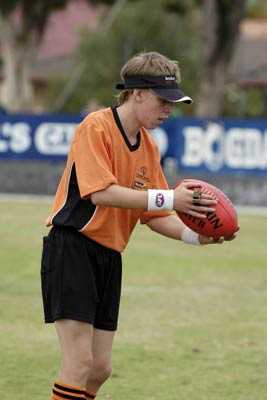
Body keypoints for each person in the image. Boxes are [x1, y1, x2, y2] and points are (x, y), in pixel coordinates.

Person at [41, 51, 236, 400]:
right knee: (79, 362)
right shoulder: (95, 127)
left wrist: (197, 236)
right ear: (138, 93)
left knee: (100, 369)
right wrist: (168, 198)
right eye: (163, 101)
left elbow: (154, 214)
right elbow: (100, 193)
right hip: (73, 248)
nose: (168, 111)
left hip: (109, 257)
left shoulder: (148, 145)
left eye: (173, 104)